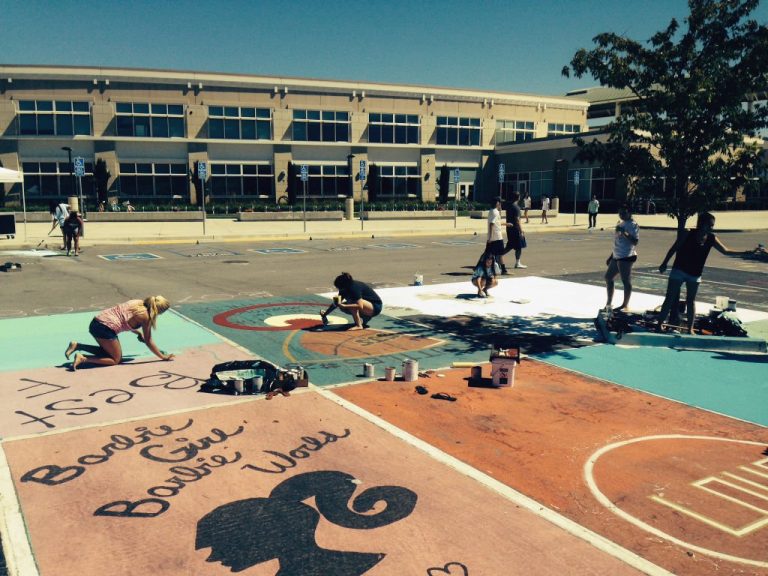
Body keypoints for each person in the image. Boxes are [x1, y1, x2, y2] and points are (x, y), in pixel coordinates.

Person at [656, 212, 751, 334]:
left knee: (691, 301)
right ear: (701, 224)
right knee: (669, 298)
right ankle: (659, 325)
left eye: (713, 225)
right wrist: (664, 263)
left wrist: (746, 252)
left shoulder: (711, 238)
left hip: (695, 274)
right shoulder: (688, 233)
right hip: (679, 269)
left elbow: (726, 251)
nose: (712, 227)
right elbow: (674, 248)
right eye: (710, 225)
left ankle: (690, 329)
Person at [64, 296, 175, 370]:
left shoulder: (137, 303)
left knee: (107, 353)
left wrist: (138, 333)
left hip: (96, 323)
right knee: (115, 359)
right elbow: (148, 340)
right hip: (105, 328)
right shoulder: (145, 317)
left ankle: (77, 346)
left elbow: (124, 320)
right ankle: (83, 358)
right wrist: (163, 356)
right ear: (158, 310)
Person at [604, 204, 639, 312]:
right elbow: (618, 242)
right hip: (617, 255)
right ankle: (609, 303)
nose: (621, 215)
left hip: (626, 256)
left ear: (629, 213)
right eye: (620, 213)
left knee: (625, 280)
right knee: (608, 277)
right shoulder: (621, 223)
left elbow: (635, 241)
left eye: (624, 213)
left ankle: (625, 304)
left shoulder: (633, 225)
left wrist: (624, 232)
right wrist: (611, 256)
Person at [503, 191, 527, 269]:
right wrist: (521, 230)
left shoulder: (509, 206)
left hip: (509, 229)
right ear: (518, 197)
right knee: (518, 247)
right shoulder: (516, 208)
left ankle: (497, 256)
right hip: (515, 229)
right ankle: (517, 263)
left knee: (510, 245)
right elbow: (517, 220)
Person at [486, 197, 508, 274]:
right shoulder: (495, 212)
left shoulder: (492, 211)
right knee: (500, 254)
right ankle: (503, 270)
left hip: (493, 237)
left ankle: (487, 269)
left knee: (490, 254)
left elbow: (496, 223)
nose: (501, 204)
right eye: (500, 203)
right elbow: (492, 224)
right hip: (496, 237)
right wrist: (491, 238)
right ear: (497, 203)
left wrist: (506, 224)